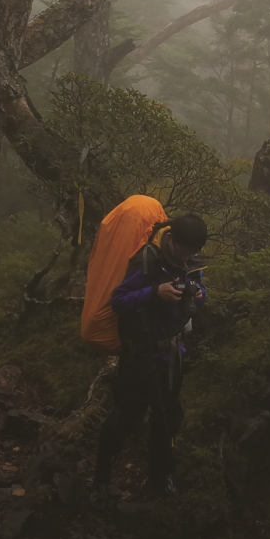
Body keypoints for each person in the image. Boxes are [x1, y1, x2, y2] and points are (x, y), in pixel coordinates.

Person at [91, 212, 208, 503]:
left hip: (172, 352)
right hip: (141, 353)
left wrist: (198, 295)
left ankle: (162, 476)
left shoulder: (190, 261)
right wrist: (155, 292)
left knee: (169, 417)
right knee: (125, 416)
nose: (186, 258)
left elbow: (202, 290)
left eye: (192, 254)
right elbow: (119, 300)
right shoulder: (147, 259)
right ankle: (100, 481)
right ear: (172, 240)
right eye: (183, 252)